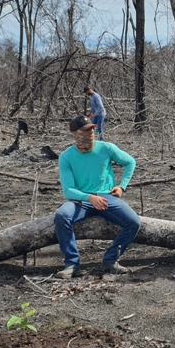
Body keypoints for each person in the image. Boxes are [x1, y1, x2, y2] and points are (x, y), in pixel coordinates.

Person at [54, 114, 140, 278]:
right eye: (85, 131)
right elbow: (68, 190)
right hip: (81, 201)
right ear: (74, 133)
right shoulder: (66, 157)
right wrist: (89, 198)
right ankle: (72, 264)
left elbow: (130, 162)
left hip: (107, 197)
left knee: (134, 222)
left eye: (92, 129)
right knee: (61, 215)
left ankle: (110, 260)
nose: (90, 133)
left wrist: (121, 187)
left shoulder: (106, 148)